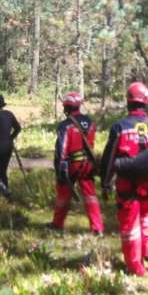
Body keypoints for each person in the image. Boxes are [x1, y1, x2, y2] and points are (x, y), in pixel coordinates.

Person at [99, 82, 148, 276]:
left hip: (126, 186)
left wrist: (105, 184)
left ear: (128, 102)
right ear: (146, 102)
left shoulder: (120, 128)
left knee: (129, 226)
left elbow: (109, 160)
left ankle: (136, 267)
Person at [50, 92, 104, 235]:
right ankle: (97, 228)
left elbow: (61, 149)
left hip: (70, 166)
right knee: (90, 196)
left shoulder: (65, 125)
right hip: (87, 165)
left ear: (67, 106)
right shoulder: (90, 123)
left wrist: (59, 168)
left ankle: (57, 224)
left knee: (63, 195)